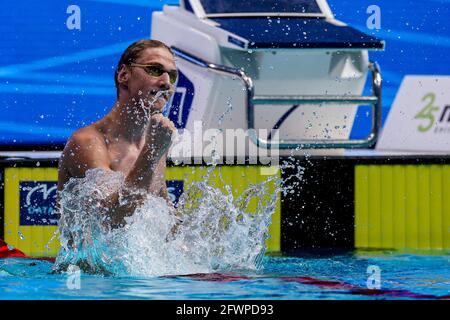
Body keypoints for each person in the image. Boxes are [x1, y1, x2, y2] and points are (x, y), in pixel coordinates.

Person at [57, 39, 178, 228]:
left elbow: (166, 221)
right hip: (91, 258)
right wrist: (151, 152)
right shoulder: (88, 142)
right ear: (123, 75)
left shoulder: (153, 140)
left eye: (172, 75)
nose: (166, 83)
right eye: (154, 70)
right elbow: (112, 222)